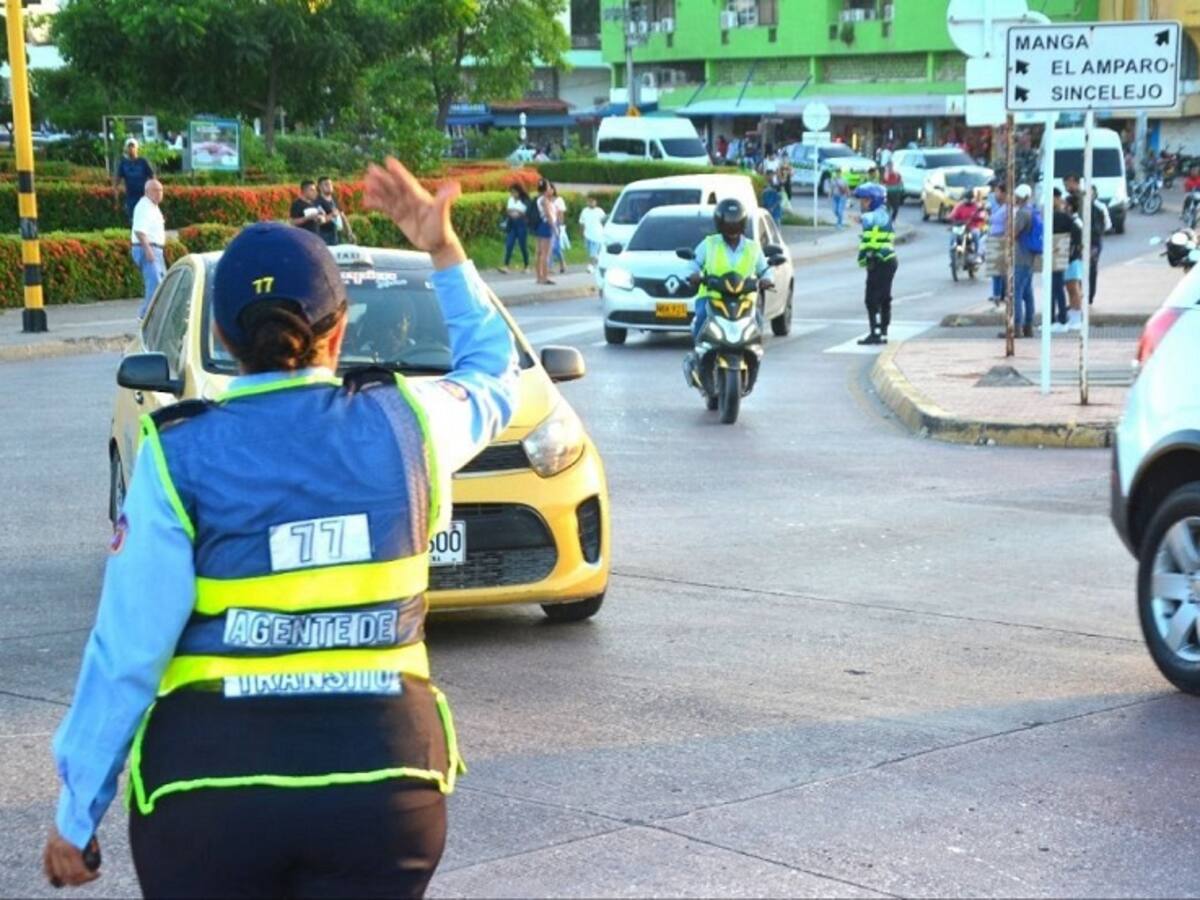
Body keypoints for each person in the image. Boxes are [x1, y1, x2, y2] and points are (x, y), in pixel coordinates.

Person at [42, 158, 520, 898]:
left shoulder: (178, 454)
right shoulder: (409, 423)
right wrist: (441, 246)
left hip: (208, 803)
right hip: (383, 793)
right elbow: (494, 371)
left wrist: (78, 815)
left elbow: (127, 652)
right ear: (339, 333)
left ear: (229, 341)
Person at [683, 198, 772, 385]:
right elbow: (693, 264)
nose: (731, 231)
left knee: (757, 321)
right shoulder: (709, 244)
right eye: (727, 224)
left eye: (735, 224)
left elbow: (765, 269)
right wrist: (694, 275)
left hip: (744, 299)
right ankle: (699, 355)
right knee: (700, 317)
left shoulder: (752, 248)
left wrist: (767, 280)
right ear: (719, 224)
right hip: (712, 297)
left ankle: (753, 358)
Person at [853, 182, 896, 346]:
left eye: (865, 201)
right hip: (879, 261)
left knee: (873, 299)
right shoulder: (881, 212)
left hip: (882, 261)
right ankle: (881, 331)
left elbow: (874, 219)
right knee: (882, 297)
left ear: (875, 200)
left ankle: (877, 332)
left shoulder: (881, 213)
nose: (862, 204)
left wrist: (861, 218)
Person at [130, 178, 166, 319]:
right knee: (155, 284)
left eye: (161, 190)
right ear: (147, 192)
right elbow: (139, 230)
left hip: (154, 249)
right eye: (155, 190)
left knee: (162, 283)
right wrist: (148, 249)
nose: (159, 193)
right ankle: (145, 316)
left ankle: (156, 317)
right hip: (147, 248)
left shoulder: (152, 206)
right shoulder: (144, 206)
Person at [1009, 183, 1038, 339]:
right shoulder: (1033, 211)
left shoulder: (1022, 213)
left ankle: (1017, 328)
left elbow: (1013, 233)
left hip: (1021, 257)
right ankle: (1029, 326)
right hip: (1030, 257)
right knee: (1028, 294)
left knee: (1017, 293)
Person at [1049, 187, 1079, 332]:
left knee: (1058, 288)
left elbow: (1077, 235)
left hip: (1059, 257)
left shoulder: (1060, 217)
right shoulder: (1052, 215)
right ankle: (1054, 319)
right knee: (1053, 289)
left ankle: (1061, 319)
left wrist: (1070, 252)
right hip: (1054, 256)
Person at [113, 138, 155, 223]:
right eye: (129, 146)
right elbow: (117, 182)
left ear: (137, 148)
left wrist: (154, 195)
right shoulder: (123, 163)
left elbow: (153, 178)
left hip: (144, 197)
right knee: (133, 221)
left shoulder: (143, 162)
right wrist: (116, 199)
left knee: (144, 221)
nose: (131, 149)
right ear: (126, 149)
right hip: (130, 197)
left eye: (133, 146)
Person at [985, 180, 1009, 305]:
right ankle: (997, 295)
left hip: (1000, 241)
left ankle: (999, 295)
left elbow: (1007, 226)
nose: (995, 194)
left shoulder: (1007, 208)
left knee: (999, 271)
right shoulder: (999, 206)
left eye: (997, 191)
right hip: (995, 239)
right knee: (997, 271)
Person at [498, 184, 530, 274]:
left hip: (521, 225)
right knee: (509, 244)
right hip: (512, 224)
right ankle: (506, 265)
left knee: (523, 245)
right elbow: (509, 211)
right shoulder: (511, 200)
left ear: (519, 192)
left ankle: (526, 265)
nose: (513, 194)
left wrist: (517, 212)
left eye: (514, 192)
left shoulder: (525, 201)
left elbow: (524, 212)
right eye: (511, 192)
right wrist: (515, 212)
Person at [315, 176, 354, 246]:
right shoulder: (317, 202)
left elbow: (342, 216)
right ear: (320, 187)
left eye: (330, 184)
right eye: (326, 184)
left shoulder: (334, 199)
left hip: (337, 234)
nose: (329, 186)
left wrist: (349, 232)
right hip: (324, 235)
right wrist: (332, 215)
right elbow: (320, 220)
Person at [534, 178, 558, 285]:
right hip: (546, 226)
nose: (550, 189)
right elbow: (548, 215)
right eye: (548, 187)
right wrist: (554, 228)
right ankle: (545, 277)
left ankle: (539, 276)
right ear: (545, 189)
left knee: (539, 253)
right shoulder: (545, 200)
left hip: (540, 225)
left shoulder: (538, 199)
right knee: (545, 254)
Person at [579, 196, 607, 274]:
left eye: (593, 201)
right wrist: (581, 233)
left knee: (593, 253)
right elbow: (582, 223)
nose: (591, 203)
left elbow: (604, 221)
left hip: (597, 235)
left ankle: (590, 267)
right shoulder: (584, 211)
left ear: (596, 202)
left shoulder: (599, 211)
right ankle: (600, 264)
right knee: (591, 253)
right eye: (589, 201)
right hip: (588, 235)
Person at [550, 186, 569, 275]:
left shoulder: (559, 200)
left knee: (555, 246)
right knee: (549, 246)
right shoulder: (545, 200)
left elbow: (561, 213)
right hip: (547, 224)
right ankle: (552, 266)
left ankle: (560, 263)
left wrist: (561, 226)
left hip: (556, 224)